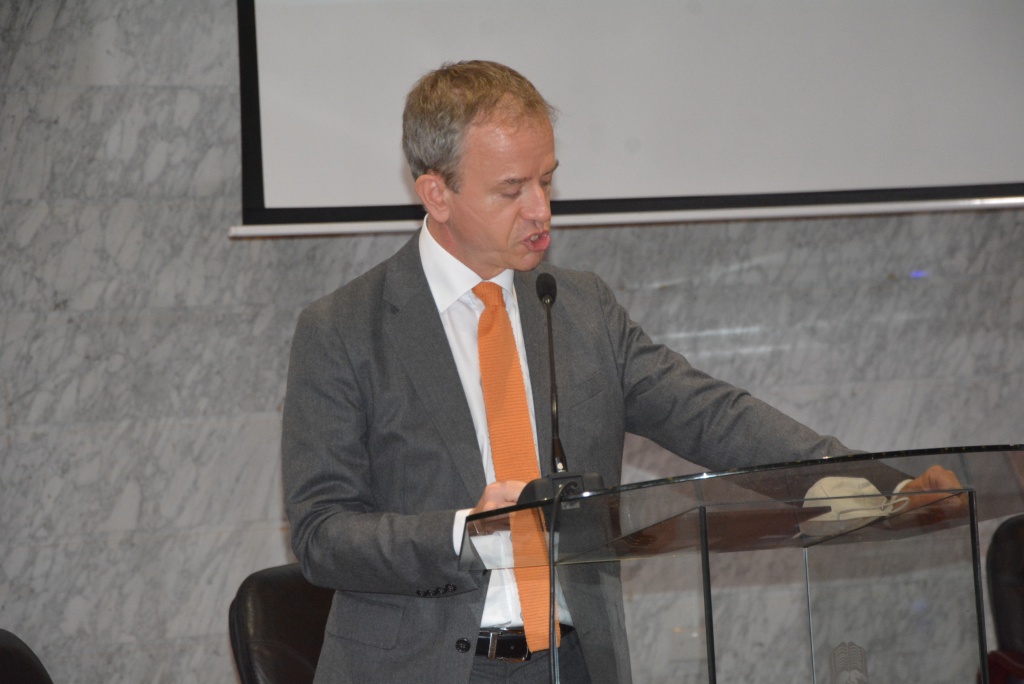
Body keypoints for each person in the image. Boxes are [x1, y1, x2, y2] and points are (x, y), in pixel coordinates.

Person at [281, 60, 961, 684]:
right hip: (420, 668)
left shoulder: (578, 307)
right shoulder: (343, 329)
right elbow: (321, 533)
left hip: (575, 662)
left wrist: (880, 485)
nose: (541, 209)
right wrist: (465, 531)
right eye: (512, 189)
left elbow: (709, 414)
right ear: (437, 193)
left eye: (547, 179)